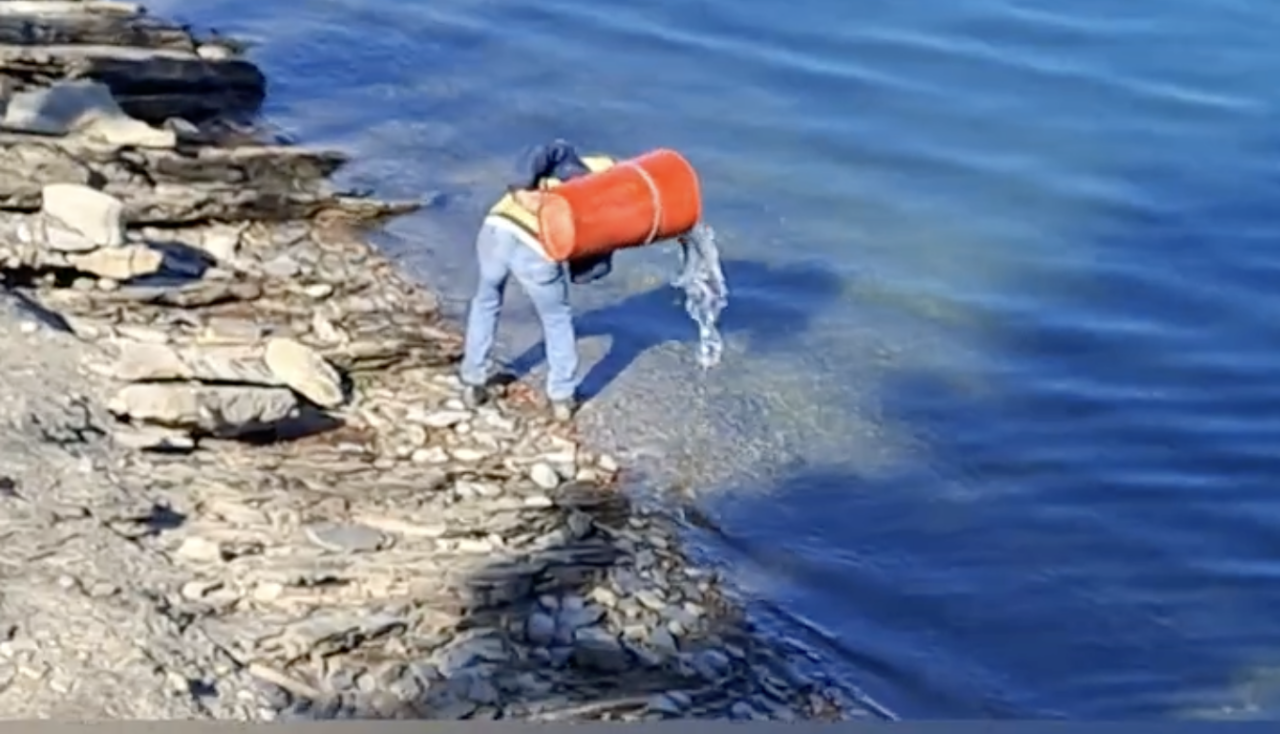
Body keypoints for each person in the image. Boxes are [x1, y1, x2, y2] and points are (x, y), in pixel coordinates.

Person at [458, 139, 618, 421]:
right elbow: (593, 250)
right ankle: (561, 397)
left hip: (496, 228)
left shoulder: (562, 166)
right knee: (556, 318)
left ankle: (473, 381)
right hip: (535, 245)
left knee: (486, 302)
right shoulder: (599, 195)